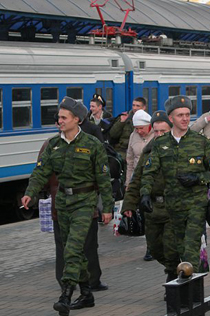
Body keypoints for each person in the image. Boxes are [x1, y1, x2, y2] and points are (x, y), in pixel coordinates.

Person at [21, 97, 113, 316]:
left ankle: (66, 295)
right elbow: (41, 172)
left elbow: (103, 178)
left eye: (63, 117)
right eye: (59, 117)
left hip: (85, 203)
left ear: (77, 120)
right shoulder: (53, 144)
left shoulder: (92, 145)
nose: (59, 121)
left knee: (72, 248)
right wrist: (29, 193)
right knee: (76, 251)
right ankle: (87, 293)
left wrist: (107, 208)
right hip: (62, 203)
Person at [140, 96, 210, 273]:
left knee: (191, 248)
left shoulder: (201, 142)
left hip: (196, 204)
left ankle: (192, 293)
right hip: (173, 206)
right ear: (171, 119)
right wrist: (145, 193)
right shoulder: (161, 144)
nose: (185, 119)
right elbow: (149, 171)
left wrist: (198, 178)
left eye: (187, 114)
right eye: (180, 115)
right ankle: (175, 280)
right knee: (172, 249)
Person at [122, 110, 177, 278]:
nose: (159, 135)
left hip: (172, 208)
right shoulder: (148, 152)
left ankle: (172, 276)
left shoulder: (179, 150)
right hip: (152, 208)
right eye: (157, 131)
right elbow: (136, 179)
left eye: (163, 131)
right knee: (154, 247)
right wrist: (128, 204)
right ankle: (174, 268)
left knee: (170, 247)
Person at [126, 109, 155, 188]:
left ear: (149, 125)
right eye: (136, 128)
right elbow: (130, 160)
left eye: (141, 128)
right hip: (136, 177)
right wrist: (128, 183)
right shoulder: (133, 136)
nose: (139, 131)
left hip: (152, 179)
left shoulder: (156, 134)